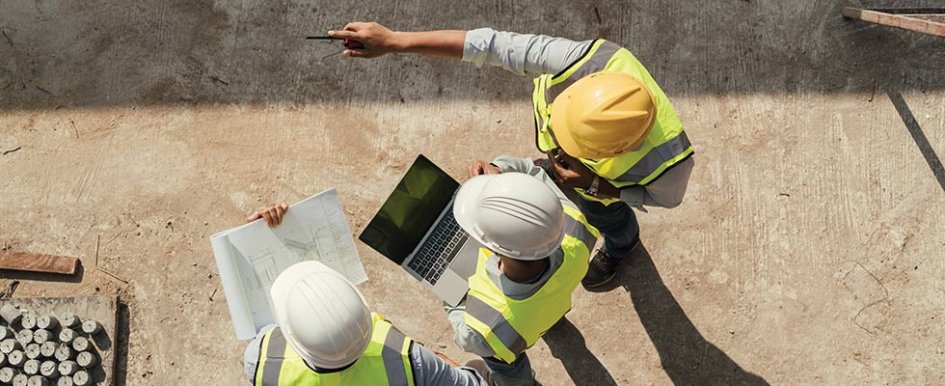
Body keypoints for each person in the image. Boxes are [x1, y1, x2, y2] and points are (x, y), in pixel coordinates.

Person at [328, 23, 694, 288]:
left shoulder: (670, 166)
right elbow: (490, 45)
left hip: (600, 190)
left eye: (570, 145)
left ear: (617, 149)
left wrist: (602, 188)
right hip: (584, 177)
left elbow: (666, 201)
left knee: (609, 219)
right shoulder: (583, 60)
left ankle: (623, 244)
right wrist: (395, 41)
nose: (556, 148)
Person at [241, 205, 487, 386]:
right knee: (478, 368)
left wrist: (254, 237)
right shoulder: (408, 358)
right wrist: (437, 364)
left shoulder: (261, 360)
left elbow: (261, 320)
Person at [444, 157, 600, 386]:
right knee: (543, 311)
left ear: (488, 246)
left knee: (507, 367)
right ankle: (552, 323)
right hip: (547, 307)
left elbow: (463, 334)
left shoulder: (484, 330)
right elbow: (533, 174)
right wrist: (501, 174)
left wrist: (444, 283)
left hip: (511, 334)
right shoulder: (575, 227)